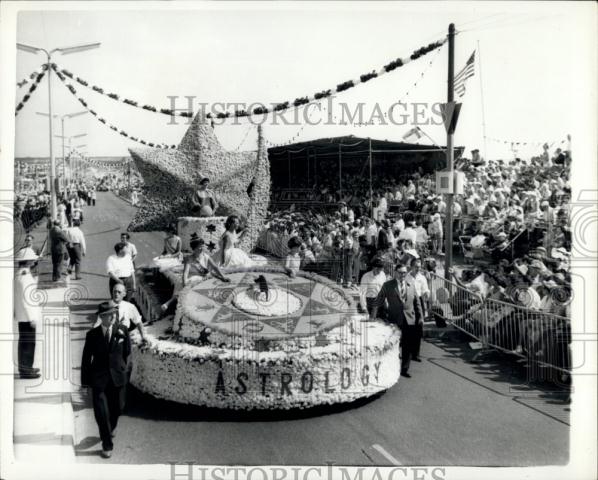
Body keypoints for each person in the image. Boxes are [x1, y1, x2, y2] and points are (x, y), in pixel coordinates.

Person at [81, 301, 131, 459]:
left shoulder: (122, 330)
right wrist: (85, 383)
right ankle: (107, 444)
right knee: (101, 413)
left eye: (114, 313)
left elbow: (128, 354)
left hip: (118, 378)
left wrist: (125, 373)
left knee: (118, 408)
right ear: (102, 317)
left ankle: (112, 426)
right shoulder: (92, 335)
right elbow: (85, 360)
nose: (113, 316)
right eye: (110, 314)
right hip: (99, 380)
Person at [370, 263, 423, 378]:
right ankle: (392, 367)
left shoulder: (411, 284)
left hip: (410, 319)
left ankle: (404, 369)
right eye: (400, 272)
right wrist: (372, 317)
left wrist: (421, 317)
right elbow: (378, 301)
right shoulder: (388, 285)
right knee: (394, 344)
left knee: (407, 346)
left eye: (404, 272)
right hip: (394, 319)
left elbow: (417, 302)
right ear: (395, 273)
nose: (402, 275)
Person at [161, 236, 230, 313]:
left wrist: (223, 277)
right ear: (194, 248)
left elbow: (215, 267)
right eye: (199, 247)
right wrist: (184, 283)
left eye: (202, 246)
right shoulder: (189, 258)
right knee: (183, 283)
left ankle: (169, 302)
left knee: (192, 282)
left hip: (201, 277)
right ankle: (172, 303)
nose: (201, 249)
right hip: (191, 277)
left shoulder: (206, 257)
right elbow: (185, 272)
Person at [14, 250, 41, 379]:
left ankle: (27, 368)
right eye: (32, 259)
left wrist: (35, 279)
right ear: (28, 261)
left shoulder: (21, 274)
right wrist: (32, 318)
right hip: (27, 316)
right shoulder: (24, 276)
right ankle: (26, 371)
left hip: (23, 315)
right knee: (28, 344)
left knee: (25, 343)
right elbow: (26, 299)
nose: (34, 261)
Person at [407, 257, 430, 361]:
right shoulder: (406, 277)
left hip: (419, 302)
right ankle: (408, 352)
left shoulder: (422, 278)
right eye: (416, 267)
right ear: (411, 267)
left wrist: (426, 293)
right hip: (409, 302)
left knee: (418, 328)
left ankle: (416, 354)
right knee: (409, 328)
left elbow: (426, 289)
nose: (418, 269)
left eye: (419, 267)